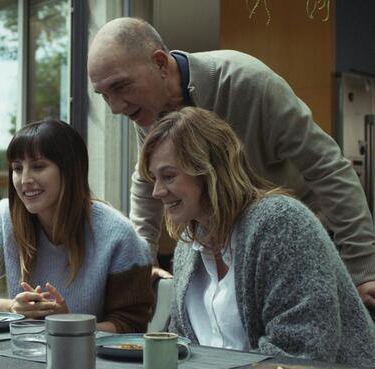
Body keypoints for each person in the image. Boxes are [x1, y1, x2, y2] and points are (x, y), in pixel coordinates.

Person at [86, 17, 375, 310]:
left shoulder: (248, 82)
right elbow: (146, 179)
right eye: (104, 95)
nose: (115, 108)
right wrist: (141, 261)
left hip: (295, 238)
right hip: (223, 246)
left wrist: (363, 268)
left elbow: (327, 167)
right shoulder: (147, 109)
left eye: (120, 87)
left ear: (160, 64)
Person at [138, 107, 375, 366]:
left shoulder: (282, 224)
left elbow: (301, 352)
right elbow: (184, 348)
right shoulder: (187, 248)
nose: (157, 192)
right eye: (154, 179)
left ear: (210, 170)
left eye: (169, 176)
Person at [0, 118, 154, 333]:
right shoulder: (4, 218)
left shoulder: (119, 235)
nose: (24, 180)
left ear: (70, 170)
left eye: (38, 166)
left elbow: (132, 326)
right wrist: (11, 307)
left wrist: (69, 324)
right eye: (17, 168)